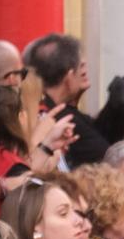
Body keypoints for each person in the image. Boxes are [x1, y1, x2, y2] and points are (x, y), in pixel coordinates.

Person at [0, 85, 70, 216]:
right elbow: (23, 179)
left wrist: (47, 145)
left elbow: (24, 172)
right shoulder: (8, 162)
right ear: (20, 118)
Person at [23, 34, 109, 166]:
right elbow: (107, 157)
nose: (85, 72)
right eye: (81, 67)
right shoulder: (63, 119)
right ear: (69, 76)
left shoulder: (33, 108)